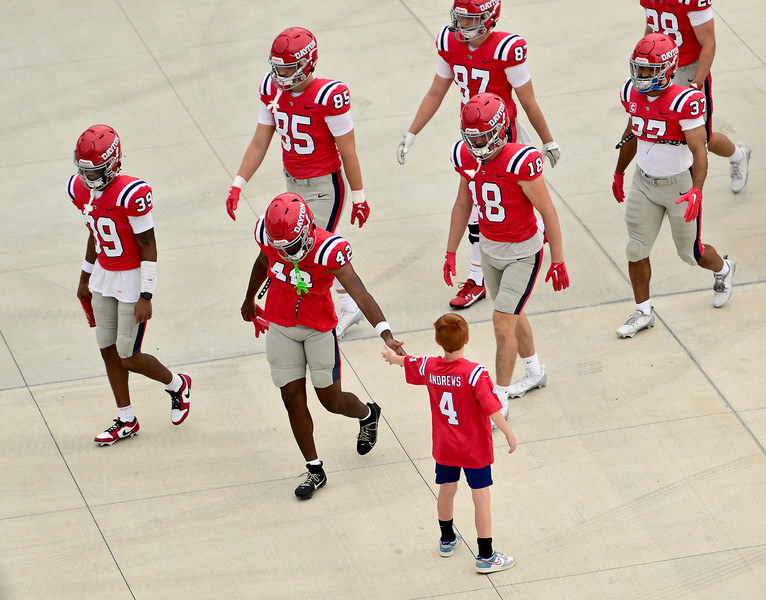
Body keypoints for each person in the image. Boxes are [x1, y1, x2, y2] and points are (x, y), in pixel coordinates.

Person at [397, 0, 560, 309]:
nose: (462, 26)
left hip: (501, 135)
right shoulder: (450, 41)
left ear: (490, 18)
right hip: (472, 135)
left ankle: (477, 277)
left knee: (483, 205)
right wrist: (412, 131)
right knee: (480, 202)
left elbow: (528, 100)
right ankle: (520, 242)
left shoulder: (506, 49)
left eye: (470, 20)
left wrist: (548, 139)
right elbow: (436, 91)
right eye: (459, 18)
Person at [241, 192, 404, 499]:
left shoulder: (329, 250)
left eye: (291, 245)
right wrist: (249, 298)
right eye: (281, 246)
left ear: (307, 231)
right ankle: (314, 469)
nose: (287, 252)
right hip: (280, 325)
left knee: (331, 400)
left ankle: (367, 414)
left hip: (318, 329)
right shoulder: (270, 235)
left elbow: (360, 293)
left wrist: (385, 333)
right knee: (292, 398)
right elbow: (263, 260)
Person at [225, 26, 371, 338]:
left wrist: (359, 196)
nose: (280, 74)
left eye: (288, 67)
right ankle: (347, 305)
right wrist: (239, 182)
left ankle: (333, 311)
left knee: (308, 248)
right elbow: (260, 142)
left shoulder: (328, 95)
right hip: (293, 182)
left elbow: (348, 151)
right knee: (319, 239)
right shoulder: (272, 87)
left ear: (308, 63)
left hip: (323, 186)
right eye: (276, 67)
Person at [444, 93, 569, 410]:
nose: (477, 143)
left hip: (522, 253)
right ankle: (534, 371)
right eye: (472, 136)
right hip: (489, 250)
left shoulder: (520, 161)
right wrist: (450, 251)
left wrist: (558, 259)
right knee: (513, 315)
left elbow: (549, 211)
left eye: (484, 135)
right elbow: (463, 203)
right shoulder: (465, 156)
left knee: (502, 323)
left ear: (500, 130)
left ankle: (498, 400)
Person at [69, 124, 191, 446]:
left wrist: (146, 294)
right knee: (106, 348)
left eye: (96, 170)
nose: (89, 178)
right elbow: (95, 232)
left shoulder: (130, 193)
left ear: (113, 162)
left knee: (128, 355)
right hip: (104, 277)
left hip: (131, 278)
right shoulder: (79, 189)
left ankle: (177, 383)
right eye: (85, 170)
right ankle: (126, 418)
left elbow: (148, 244)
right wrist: (84, 276)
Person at [612, 34, 736, 339]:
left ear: (668, 69)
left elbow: (699, 151)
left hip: (679, 186)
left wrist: (697, 189)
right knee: (635, 248)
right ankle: (643, 311)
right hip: (644, 182)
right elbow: (632, 131)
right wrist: (619, 172)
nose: (640, 76)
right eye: (638, 69)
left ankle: (723, 268)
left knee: (690, 254)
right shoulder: (631, 91)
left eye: (648, 70)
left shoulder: (686, 101)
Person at [381, 313, 517, 573]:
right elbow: (491, 408)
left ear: (437, 340)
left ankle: (446, 539)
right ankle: (486, 555)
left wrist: (393, 357)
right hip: (474, 449)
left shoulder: (430, 367)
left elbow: (407, 362)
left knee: (446, 490)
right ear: (467, 339)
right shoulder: (475, 373)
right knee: (481, 497)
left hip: (445, 447)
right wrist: (508, 431)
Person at [641, 0, 750, 193]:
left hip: (688, 69)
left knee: (701, 138)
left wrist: (696, 83)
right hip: (662, 69)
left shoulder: (690, 2)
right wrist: (646, 64)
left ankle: (738, 156)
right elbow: (653, 25)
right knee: (665, 131)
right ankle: (670, 194)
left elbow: (709, 43)